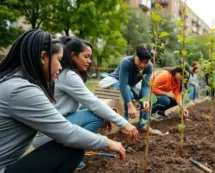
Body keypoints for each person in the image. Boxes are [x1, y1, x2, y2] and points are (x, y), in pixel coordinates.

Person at [0, 30, 128, 173]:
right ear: (43, 57)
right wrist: (108, 142)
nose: (60, 67)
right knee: (72, 151)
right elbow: (67, 133)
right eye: (58, 60)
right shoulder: (22, 90)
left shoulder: (11, 81)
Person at [33, 37, 139, 169]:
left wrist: (106, 115)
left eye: (90, 57)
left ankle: (66, 154)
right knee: (97, 116)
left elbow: (85, 102)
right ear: (73, 56)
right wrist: (124, 123)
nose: (89, 61)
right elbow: (93, 103)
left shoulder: (66, 74)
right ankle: (63, 154)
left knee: (98, 115)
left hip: (47, 131)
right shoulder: (68, 76)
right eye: (86, 56)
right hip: (46, 135)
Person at [99, 43, 159, 134]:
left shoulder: (149, 66)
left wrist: (146, 100)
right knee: (129, 94)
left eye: (145, 62)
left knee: (149, 97)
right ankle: (124, 124)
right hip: (115, 81)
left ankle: (143, 125)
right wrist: (130, 106)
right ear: (135, 55)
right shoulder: (126, 62)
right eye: (140, 61)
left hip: (131, 85)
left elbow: (145, 86)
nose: (142, 65)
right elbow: (123, 84)